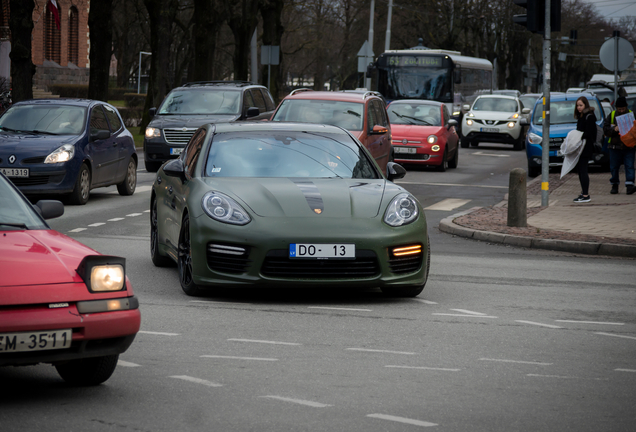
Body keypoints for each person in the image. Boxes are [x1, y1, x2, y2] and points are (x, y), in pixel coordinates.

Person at [603, 96, 635, 195]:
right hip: (614, 146)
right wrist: (614, 130)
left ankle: (629, 185)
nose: (621, 111)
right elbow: (605, 129)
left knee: (629, 166)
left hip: (629, 146)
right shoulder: (612, 115)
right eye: (619, 109)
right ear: (616, 107)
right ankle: (614, 185)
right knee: (614, 167)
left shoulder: (631, 115)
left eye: (623, 109)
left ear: (626, 106)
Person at [572, 96, 597, 203]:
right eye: (577, 105)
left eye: (581, 105)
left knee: (583, 170)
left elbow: (589, 133)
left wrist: (578, 136)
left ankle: (586, 194)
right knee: (580, 170)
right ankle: (583, 193)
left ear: (585, 105)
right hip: (582, 147)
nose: (579, 108)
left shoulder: (589, 117)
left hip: (586, 147)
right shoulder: (581, 116)